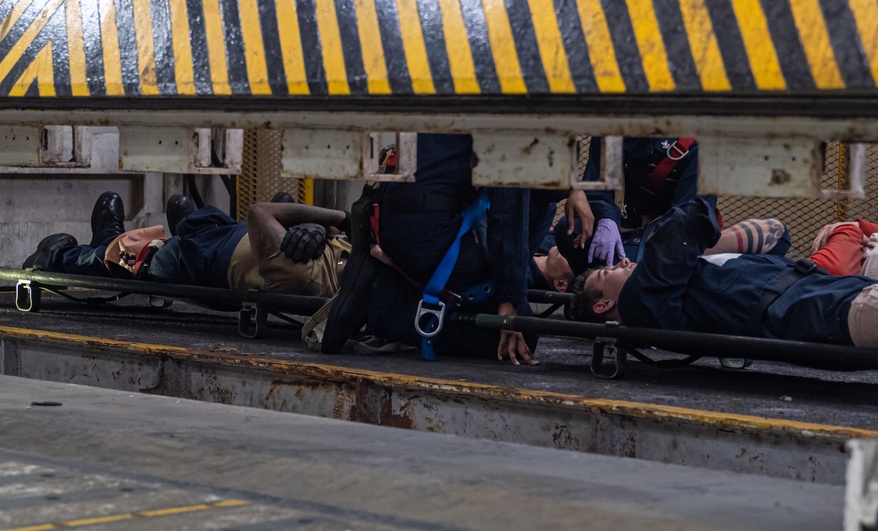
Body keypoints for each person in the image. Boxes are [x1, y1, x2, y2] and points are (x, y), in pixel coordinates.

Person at [569, 196, 878, 357]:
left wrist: (710, 244)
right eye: (609, 270)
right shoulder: (644, 303)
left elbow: (777, 233)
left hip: (835, 290)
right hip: (819, 309)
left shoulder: (677, 280)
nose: (624, 263)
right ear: (605, 304)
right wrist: (709, 241)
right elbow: (683, 224)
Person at [325, 134, 538, 365]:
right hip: (425, 227)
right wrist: (511, 298)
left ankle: (391, 286)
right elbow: (507, 212)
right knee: (523, 328)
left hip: (391, 212)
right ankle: (382, 301)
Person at [22, 191, 350, 298]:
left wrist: (336, 217)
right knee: (196, 222)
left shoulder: (305, 275)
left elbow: (260, 213)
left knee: (143, 258)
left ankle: (71, 254)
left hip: (202, 260)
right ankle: (188, 227)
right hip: (226, 235)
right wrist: (318, 228)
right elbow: (338, 234)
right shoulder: (349, 256)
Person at [556, 137, 703, 274]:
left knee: (628, 267)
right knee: (569, 229)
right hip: (628, 221)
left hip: (667, 233)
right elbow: (598, 185)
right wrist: (607, 219)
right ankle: (594, 291)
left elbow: (688, 217)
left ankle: (613, 292)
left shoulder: (695, 144)